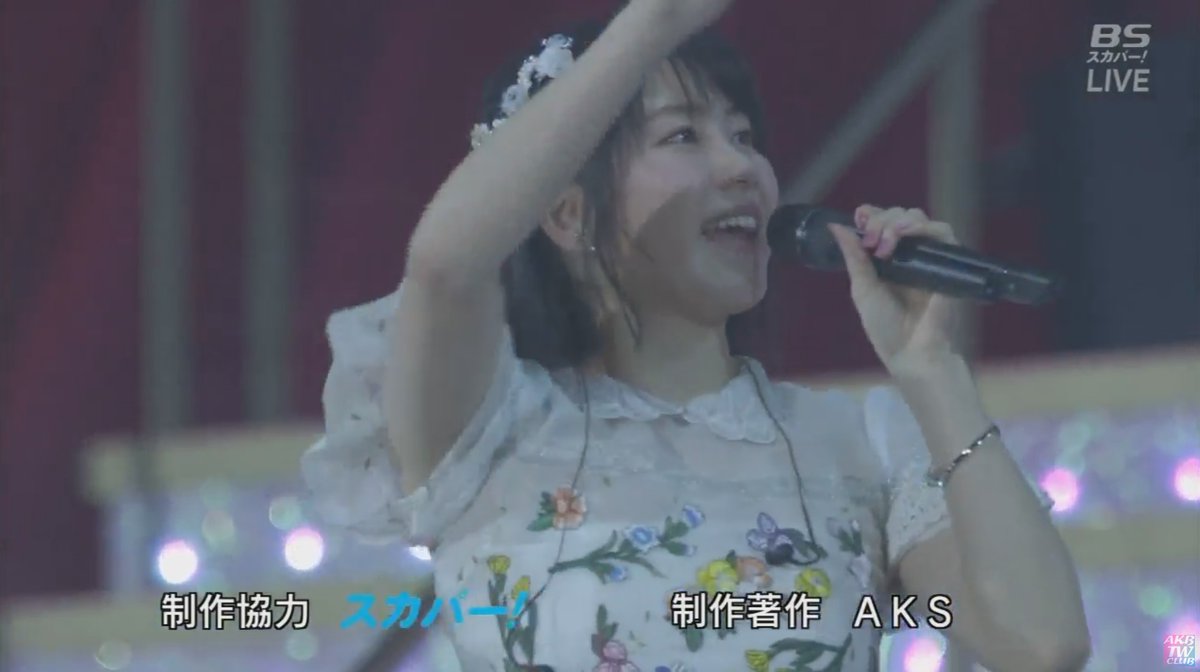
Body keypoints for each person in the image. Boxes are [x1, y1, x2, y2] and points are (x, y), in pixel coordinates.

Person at [301, 1, 1091, 670]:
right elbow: (445, 267)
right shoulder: (488, 430)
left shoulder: (862, 448)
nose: (741, 167)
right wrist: (653, 23)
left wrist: (933, 370)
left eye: (744, 136)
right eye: (684, 136)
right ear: (568, 213)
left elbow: (1041, 643)